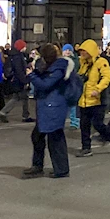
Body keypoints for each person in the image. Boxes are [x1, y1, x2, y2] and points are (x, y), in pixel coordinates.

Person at [22, 44, 71, 179]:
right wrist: (36, 72)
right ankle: (38, 166)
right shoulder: (52, 66)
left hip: (53, 107)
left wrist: (32, 75)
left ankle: (61, 169)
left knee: (55, 138)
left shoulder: (58, 68)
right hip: (48, 107)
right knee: (38, 136)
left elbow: (45, 85)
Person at [76, 39, 110, 157]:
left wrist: (98, 89)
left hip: (98, 100)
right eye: (81, 51)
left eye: (84, 51)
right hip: (84, 99)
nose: (82, 53)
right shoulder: (83, 63)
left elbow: (107, 78)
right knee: (84, 125)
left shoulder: (101, 62)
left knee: (98, 124)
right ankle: (86, 148)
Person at [0, 39, 33, 123]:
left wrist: (28, 61)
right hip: (19, 80)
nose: (25, 48)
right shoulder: (18, 56)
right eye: (24, 46)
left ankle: (24, 115)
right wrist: (25, 80)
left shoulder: (14, 55)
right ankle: (4, 113)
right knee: (19, 97)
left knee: (19, 97)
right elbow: (19, 70)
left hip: (16, 79)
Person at [61, 44, 80, 129]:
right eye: (66, 50)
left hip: (72, 85)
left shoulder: (76, 61)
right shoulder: (60, 61)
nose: (67, 52)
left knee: (73, 105)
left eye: (69, 50)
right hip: (63, 85)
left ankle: (74, 122)